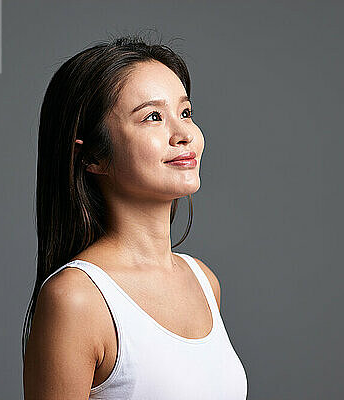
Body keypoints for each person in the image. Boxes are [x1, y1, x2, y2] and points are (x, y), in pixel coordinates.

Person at [22, 34, 248, 399]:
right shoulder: (76, 299)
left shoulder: (204, 282)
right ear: (93, 156)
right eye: (153, 117)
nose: (183, 134)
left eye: (185, 112)